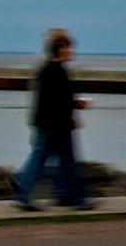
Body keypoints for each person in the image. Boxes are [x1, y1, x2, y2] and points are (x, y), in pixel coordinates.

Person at [13, 28, 92, 210]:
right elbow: (57, 101)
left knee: (49, 158)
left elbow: (51, 101)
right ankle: (74, 198)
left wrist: (72, 109)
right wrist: (77, 106)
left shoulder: (48, 70)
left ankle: (60, 194)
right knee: (63, 159)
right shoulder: (55, 72)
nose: (72, 52)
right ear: (61, 49)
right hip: (55, 125)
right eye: (69, 48)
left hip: (48, 123)